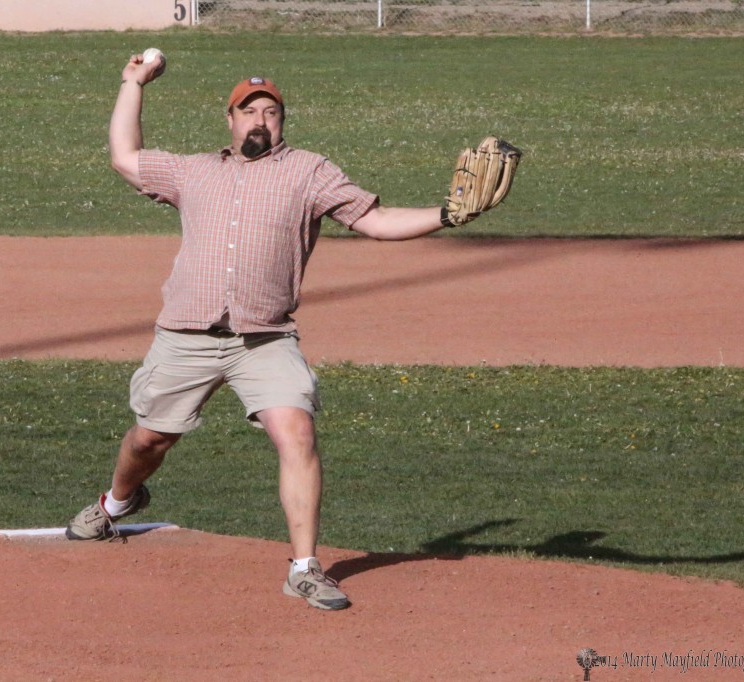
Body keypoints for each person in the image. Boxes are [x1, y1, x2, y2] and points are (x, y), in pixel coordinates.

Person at [66, 52, 456, 611]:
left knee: (296, 432)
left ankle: (304, 568)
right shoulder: (193, 170)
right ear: (230, 120)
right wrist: (132, 84)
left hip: (266, 339)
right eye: (248, 111)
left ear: (282, 121)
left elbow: (376, 220)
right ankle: (115, 505)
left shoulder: (310, 172)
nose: (259, 120)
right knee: (150, 439)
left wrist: (447, 214)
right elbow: (125, 157)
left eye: (270, 112)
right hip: (186, 336)